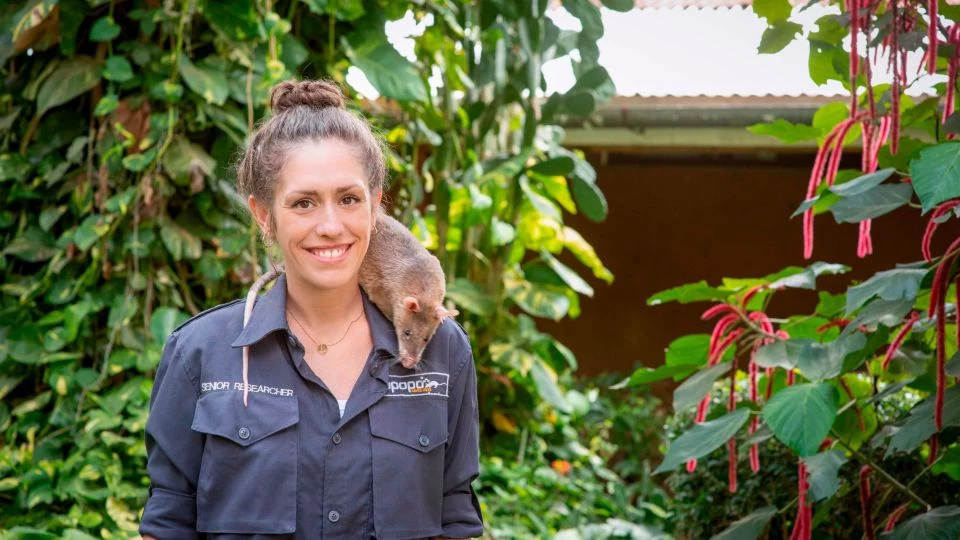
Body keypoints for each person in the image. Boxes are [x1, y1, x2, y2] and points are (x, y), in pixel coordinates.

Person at [139, 79, 484, 539]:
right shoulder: (200, 351)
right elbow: (168, 521)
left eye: (349, 199)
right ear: (264, 215)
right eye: (303, 203)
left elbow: (455, 516)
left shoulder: (443, 351)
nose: (330, 225)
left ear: (376, 206)